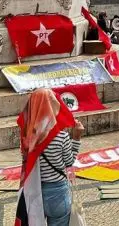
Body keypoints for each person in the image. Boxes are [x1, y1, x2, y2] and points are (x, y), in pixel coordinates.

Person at [35, 89, 85, 226]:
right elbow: (69, 162)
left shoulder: (29, 137)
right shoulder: (61, 136)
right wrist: (76, 137)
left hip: (35, 193)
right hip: (58, 192)